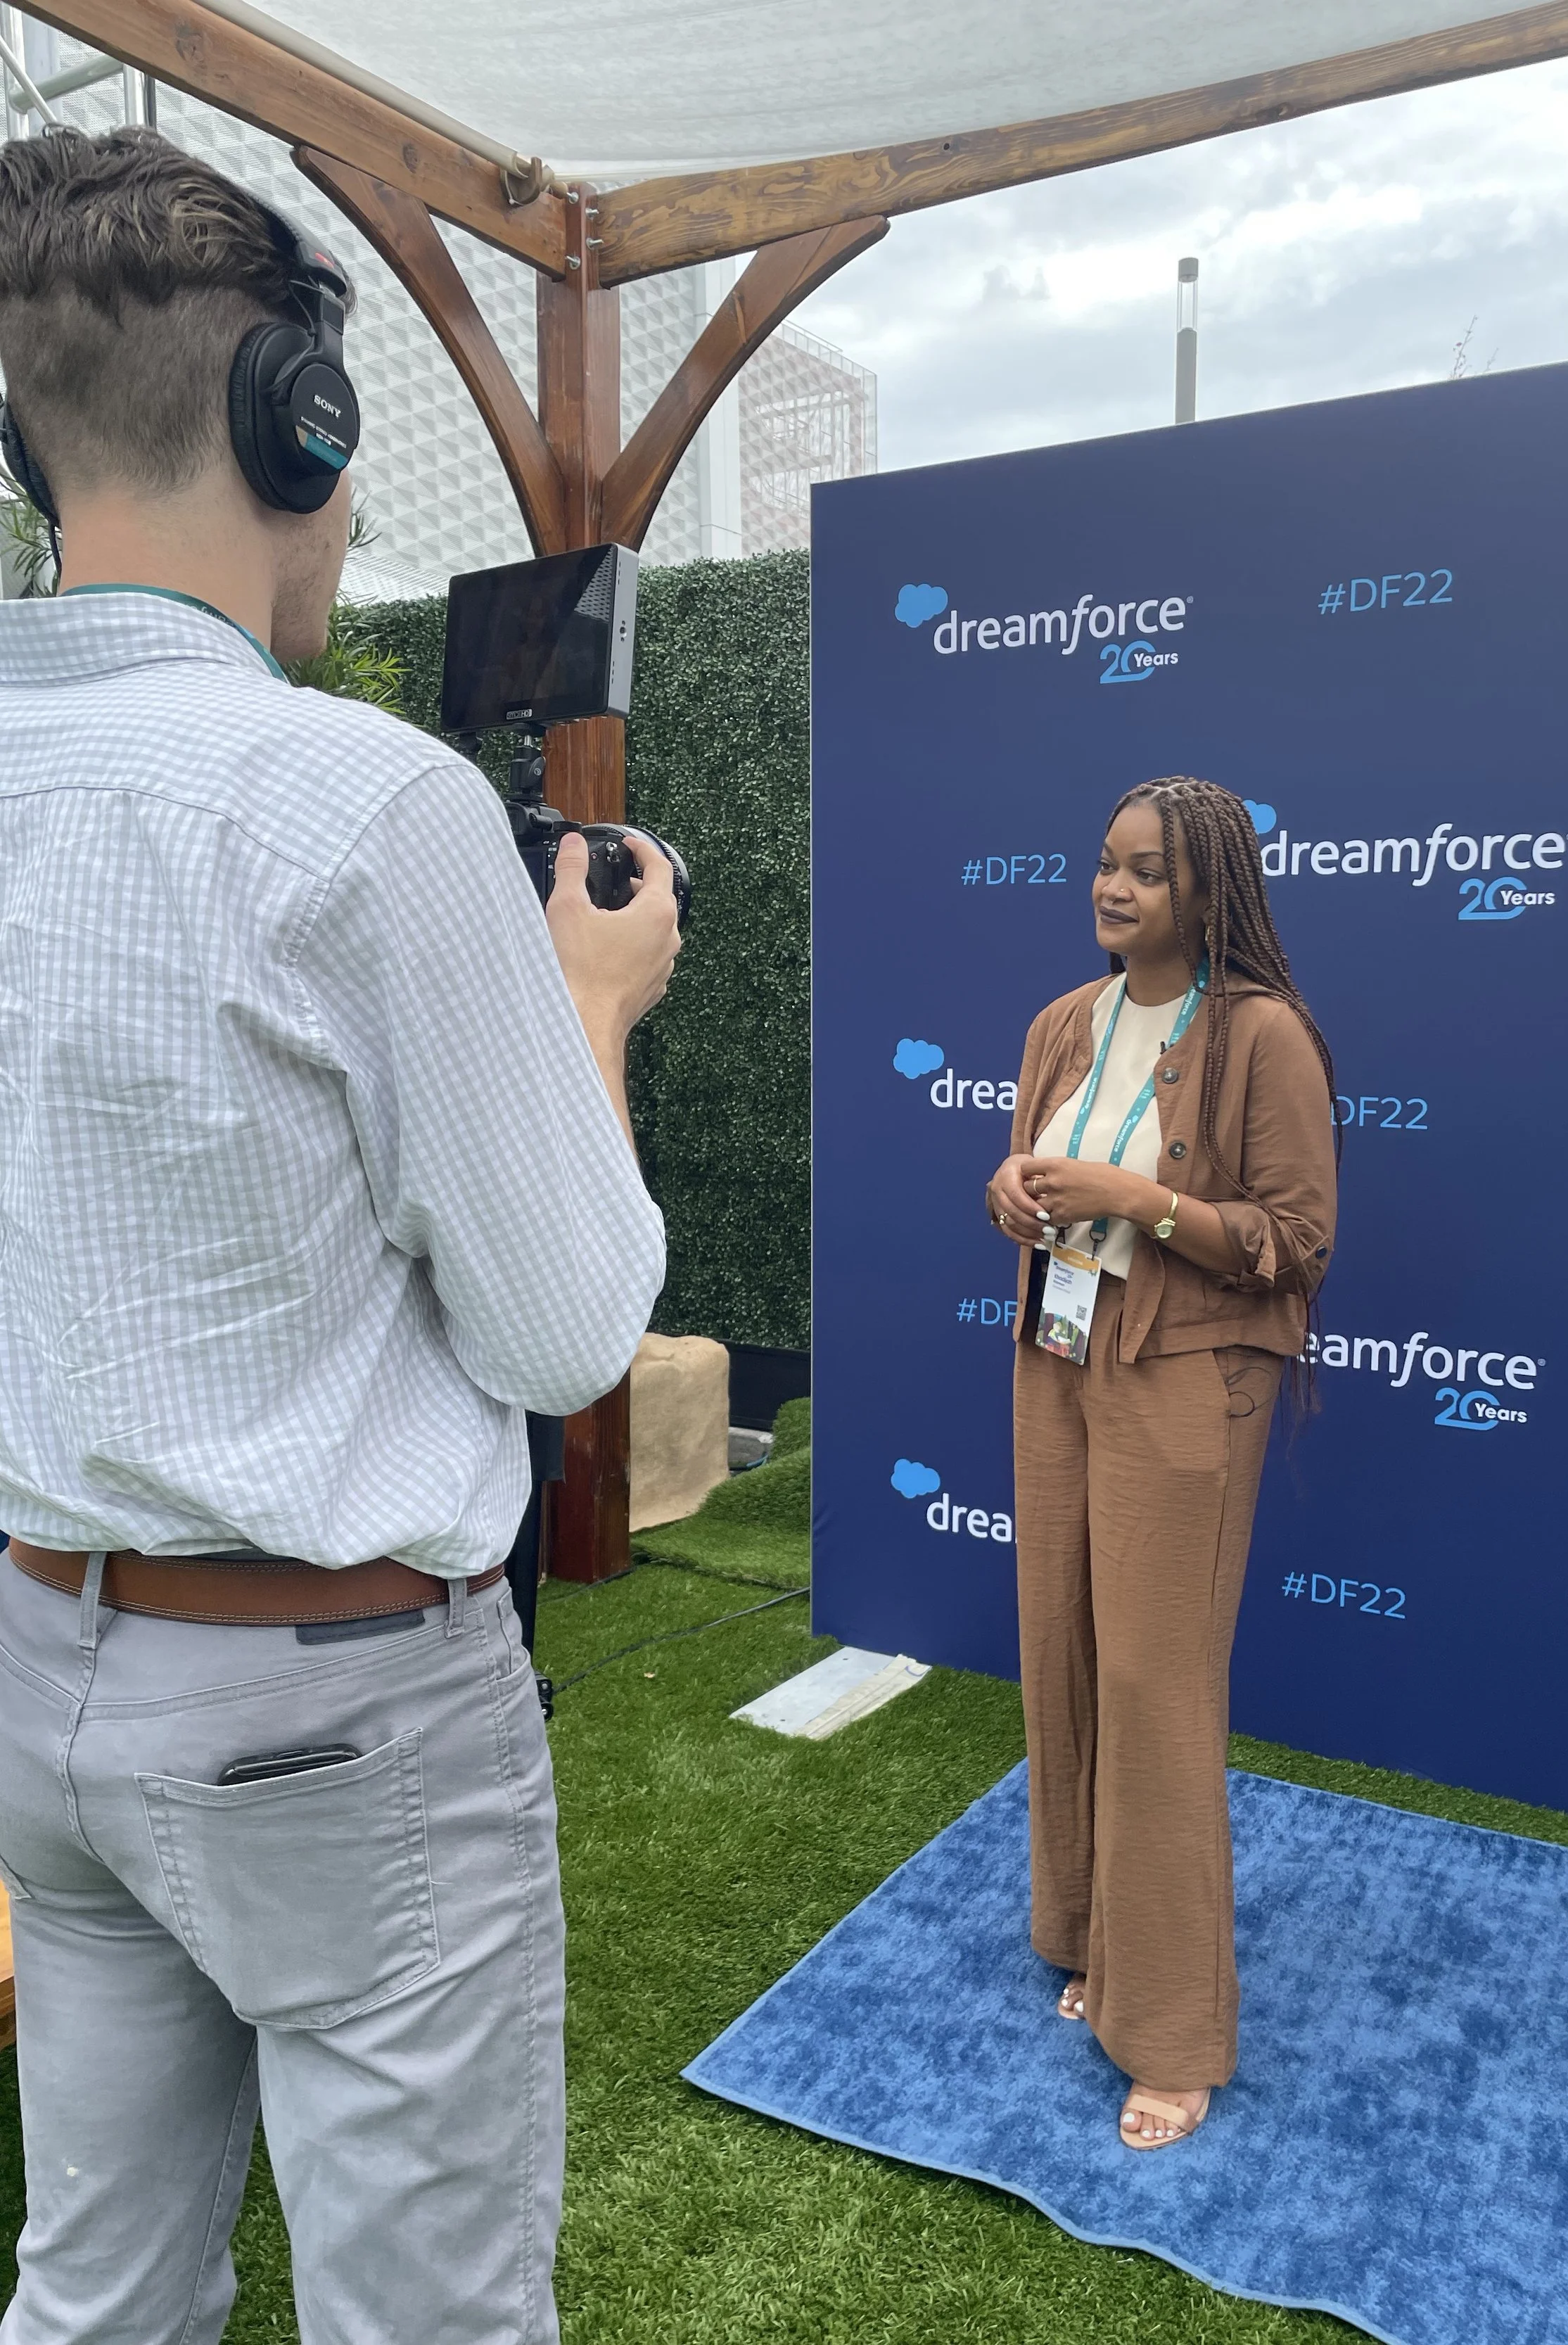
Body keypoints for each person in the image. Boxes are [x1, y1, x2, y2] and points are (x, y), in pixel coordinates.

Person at [0, 129, 677, 2342]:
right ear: (298, 420)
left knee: (96, 2288)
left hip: (41, 1664)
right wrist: (589, 1011)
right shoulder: (366, 801)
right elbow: (566, 1334)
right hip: (334, 1712)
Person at [986, 777, 1337, 2151]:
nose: (1112, 887)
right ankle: (1091, 1942)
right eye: (1104, 863)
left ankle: (1174, 2034)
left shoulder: (1264, 1035)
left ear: (1209, 891)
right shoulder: (1059, 1024)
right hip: (1057, 1358)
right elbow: (1031, 1178)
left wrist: (1143, 1203)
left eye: (1145, 871)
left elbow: (1295, 1242)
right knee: (1064, 1653)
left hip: (1187, 1380)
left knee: (1154, 1686)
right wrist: (1011, 1191)